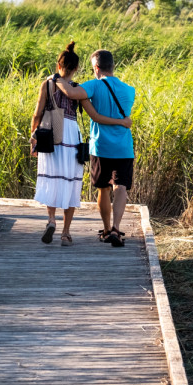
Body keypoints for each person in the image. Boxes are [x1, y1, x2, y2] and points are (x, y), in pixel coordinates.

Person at [30, 42, 131, 246]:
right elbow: (92, 114)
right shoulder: (85, 88)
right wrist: (121, 121)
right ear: (76, 69)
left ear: (59, 66)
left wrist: (33, 137)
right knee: (71, 181)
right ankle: (69, 233)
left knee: (53, 178)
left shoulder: (51, 84)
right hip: (79, 138)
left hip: (52, 135)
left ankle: (51, 219)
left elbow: (37, 113)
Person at [54, 49, 135, 248]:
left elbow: (71, 93)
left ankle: (106, 230)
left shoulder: (94, 85)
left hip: (101, 147)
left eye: (93, 69)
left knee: (103, 188)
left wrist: (56, 78)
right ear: (112, 66)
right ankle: (116, 228)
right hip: (124, 147)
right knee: (121, 186)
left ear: (96, 68)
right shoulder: (129, 90)